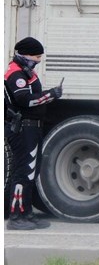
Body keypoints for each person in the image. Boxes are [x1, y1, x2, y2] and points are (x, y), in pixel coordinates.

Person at [4, 37, 63, 230]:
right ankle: (16, 216)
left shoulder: (27, 73)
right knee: (23, 172)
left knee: (31, 171)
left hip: (32, 127)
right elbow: (24, 100)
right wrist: (50, 95)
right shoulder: (16, 74)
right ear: (24, 54)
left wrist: (47, 95)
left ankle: (26, 213)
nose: (38, 60)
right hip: (23, 128)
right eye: (36, 56)